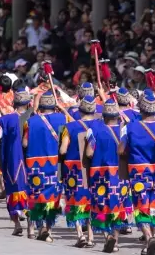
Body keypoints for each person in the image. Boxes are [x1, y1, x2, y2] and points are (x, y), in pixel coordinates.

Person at [118, 94, 155, 255]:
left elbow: (121, 150)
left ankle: (148, 237)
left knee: (141, 205)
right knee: (154, 206)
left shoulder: (130, 127)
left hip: (138, 171)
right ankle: (151, 238)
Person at [85, 99, 127, 253]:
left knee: (100, 206)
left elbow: (89, 153)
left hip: (100, 174)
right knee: (117, 206)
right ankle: (115, 241)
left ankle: (106, 237)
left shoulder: (95, 129)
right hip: (120, 174)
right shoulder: (124, 130)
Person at [23, 91, 65, 242]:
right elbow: (64, 142)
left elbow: (25, 143)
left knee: (36, 196)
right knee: (52, 198)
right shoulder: (62, 119)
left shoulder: (31, 121)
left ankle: (38, 227)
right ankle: (47, 229)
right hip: (55, 165)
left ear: (40, 106)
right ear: (54, 106)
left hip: (35, 165)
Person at [0, 87, 32, 236]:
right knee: (29, 192)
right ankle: (31, 226)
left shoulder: (2, 120)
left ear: (14, 103)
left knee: (13, 193)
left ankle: (17, 226)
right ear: (28, 104)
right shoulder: (33, 119)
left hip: (12, 162)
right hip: (31, 163)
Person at [60, 95, 96, 247]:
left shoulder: (69, 127)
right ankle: (91, 236)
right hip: (92, 168)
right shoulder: (99, 126)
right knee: (91, 200)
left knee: (75, 200)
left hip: (73, 169)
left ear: (79, 110)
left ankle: (80, 234)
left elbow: (62, 150)